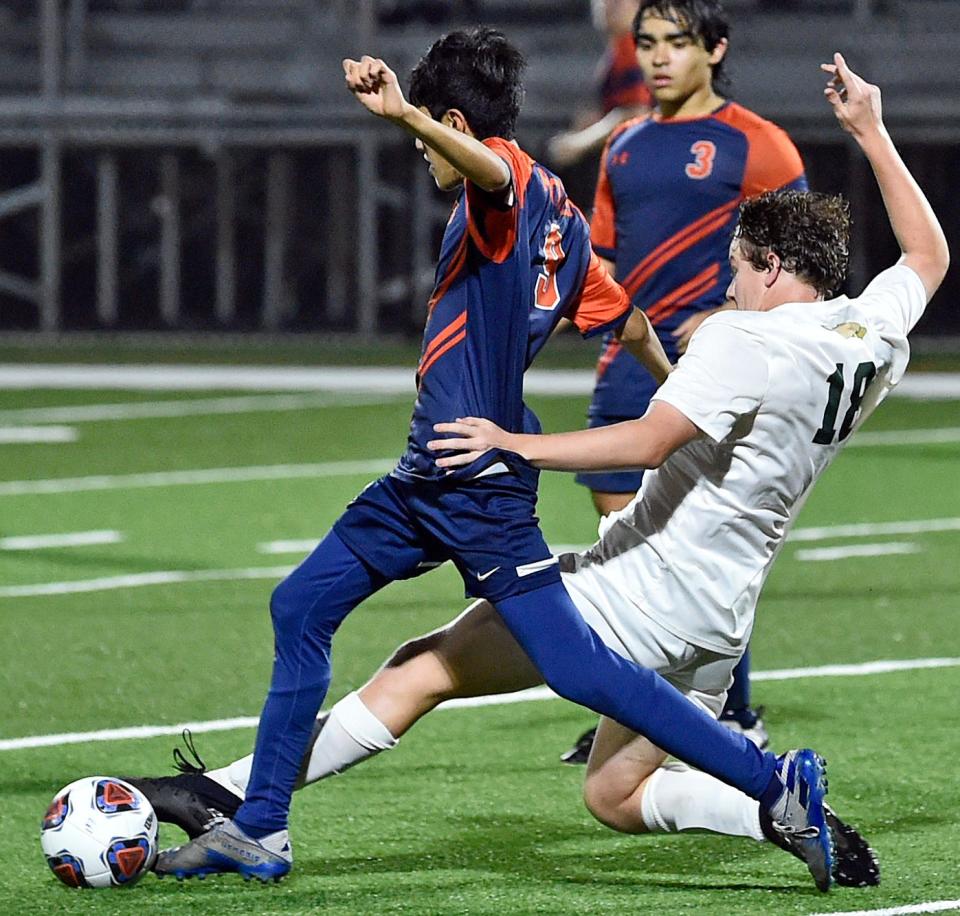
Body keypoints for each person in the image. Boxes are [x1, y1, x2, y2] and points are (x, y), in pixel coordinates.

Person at [145, 28, 843, 890]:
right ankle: (260, 829)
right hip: (423, 475)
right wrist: (680, 396)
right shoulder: (565, 217)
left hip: (474, 482)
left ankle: (773, 786)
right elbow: (622, 317)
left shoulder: (505, 188)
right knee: (301, 606)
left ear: (448, 124)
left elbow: (488, 170)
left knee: (579, 667)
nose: (421, 156)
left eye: (423, 138)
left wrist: (402, 111)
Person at [562, 0, 810, 763]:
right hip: (624, 373)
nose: (657, 58)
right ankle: (643, 713)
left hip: (712, 378)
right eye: (647, 44)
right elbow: (603, 256)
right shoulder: (625, 146)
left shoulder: (757, 144)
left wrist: (722, 316)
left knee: (703, 548)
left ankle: (734, 717)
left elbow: (803, 267)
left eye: (676, 43)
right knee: (623, 547)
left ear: (715, 50)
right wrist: (589, 304)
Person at [546, 0, 653, 169]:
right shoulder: (620, 46)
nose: (605, 4)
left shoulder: (632, 46)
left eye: (616, 2)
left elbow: (635, 112)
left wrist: (580, 142)